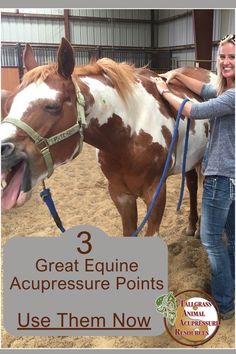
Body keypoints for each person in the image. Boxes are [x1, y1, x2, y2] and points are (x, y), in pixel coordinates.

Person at [155, 34, 235, 320]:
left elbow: (194, 109)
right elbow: (204, 88)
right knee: (232, 239)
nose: (226, 62)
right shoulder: (228, 91)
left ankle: (224, 303)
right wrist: (178, 74)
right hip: (232, 178)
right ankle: (231, 293)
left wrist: (163, 90)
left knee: (212, 241)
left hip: (219, 177)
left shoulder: (233, 96)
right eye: (223, 57)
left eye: (232, 57)